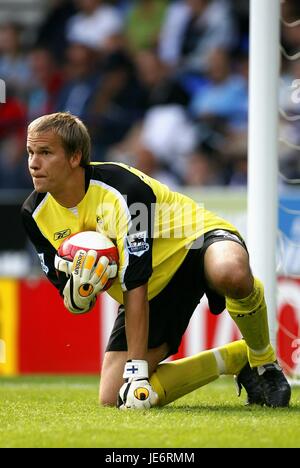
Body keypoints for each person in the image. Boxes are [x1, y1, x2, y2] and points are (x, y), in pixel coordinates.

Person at [22, 112, 291, 409]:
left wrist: (137, 373)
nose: (34, 163)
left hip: (195, 242)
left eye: (46, 153)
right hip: (157, 287)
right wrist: (78, 296)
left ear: (75, 157)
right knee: (112, 398)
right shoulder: (34, 215)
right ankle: (236, 358)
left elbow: (134, 282)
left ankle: (264, 361)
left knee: (231, 272)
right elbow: (73, 300)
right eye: (31, 152)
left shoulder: (125, 190)